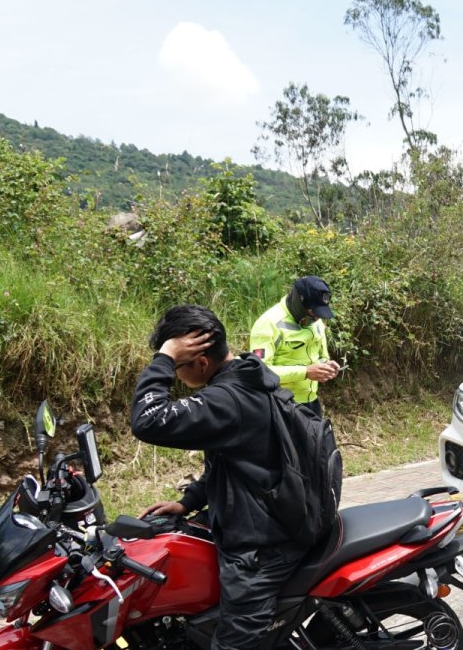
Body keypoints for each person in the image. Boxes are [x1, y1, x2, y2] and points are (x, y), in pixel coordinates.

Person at [132, 305, 309, 649]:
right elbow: (232, 460)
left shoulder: (229, 399)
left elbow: (148, 420)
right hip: (264, 521)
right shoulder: (245, 376)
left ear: (200, 362)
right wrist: (189, 501)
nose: (177, 377)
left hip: (261, 549)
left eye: (179, 367)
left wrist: (165, 357)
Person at [250, 275, 340, 417]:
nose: (316, 318)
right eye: (312, 313)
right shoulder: (268, 324)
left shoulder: (316, 321)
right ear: (299, 303)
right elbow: (260, 373)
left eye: (319, 315)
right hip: (280, 405)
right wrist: (305, 372)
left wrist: (326, 366)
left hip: (311, 403)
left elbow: (321, 356)